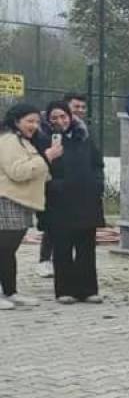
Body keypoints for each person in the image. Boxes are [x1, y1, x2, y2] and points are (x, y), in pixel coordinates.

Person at [41, 101, 105, 304]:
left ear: (70, 117)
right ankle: (64, 290)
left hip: (87, 198)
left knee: (86, 246)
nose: (60, 121)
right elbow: (39, 168)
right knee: (62, 246)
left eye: (63, 116)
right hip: (59, 201)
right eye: (54, 118)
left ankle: (87, 289)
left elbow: (97, 163)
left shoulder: (84, 136)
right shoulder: (44, 140)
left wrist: (97, 184)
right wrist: (55, 185)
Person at [0, 103, 53, 310]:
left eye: (37, 122)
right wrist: (46, 158)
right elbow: (17, 171)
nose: (34, 125)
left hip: (22, 202)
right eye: (29, 121)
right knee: (4, 248)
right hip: (8, 200)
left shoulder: (25, 142)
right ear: (16, 121)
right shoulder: (9, 140)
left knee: (8, 250)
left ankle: (11, 292)